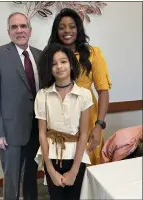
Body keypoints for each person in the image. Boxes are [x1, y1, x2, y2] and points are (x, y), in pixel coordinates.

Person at [0, 12, 42, 200]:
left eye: (23, 26)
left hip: (37, 129)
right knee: (12, 178)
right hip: (9, 131)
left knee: (31, 176)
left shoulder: (39, 55)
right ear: (8, 32)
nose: (19, 30)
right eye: (14, 27)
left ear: (30, 30)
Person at [48, 8, 112, 165]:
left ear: (78, 29)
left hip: (89, 118)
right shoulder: (50, 55)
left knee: (90, 164)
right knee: (64, 164)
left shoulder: (93, 54)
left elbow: (103, 91)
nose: (67, 31)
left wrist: (99, 125)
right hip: (60, 119)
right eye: (62, 27)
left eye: (72, 26)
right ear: (56, 31)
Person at [34, 43, 93, 200]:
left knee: (74, 196)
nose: (59, 66)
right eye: (53, 64)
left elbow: (84, 133)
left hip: (76, 156)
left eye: (63, 61)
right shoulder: (43, 95)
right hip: (52, 155)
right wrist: (51, 170)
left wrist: (74, 170)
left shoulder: (84, 95)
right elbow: (42, 133)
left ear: (72, 64)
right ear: (49, 69)